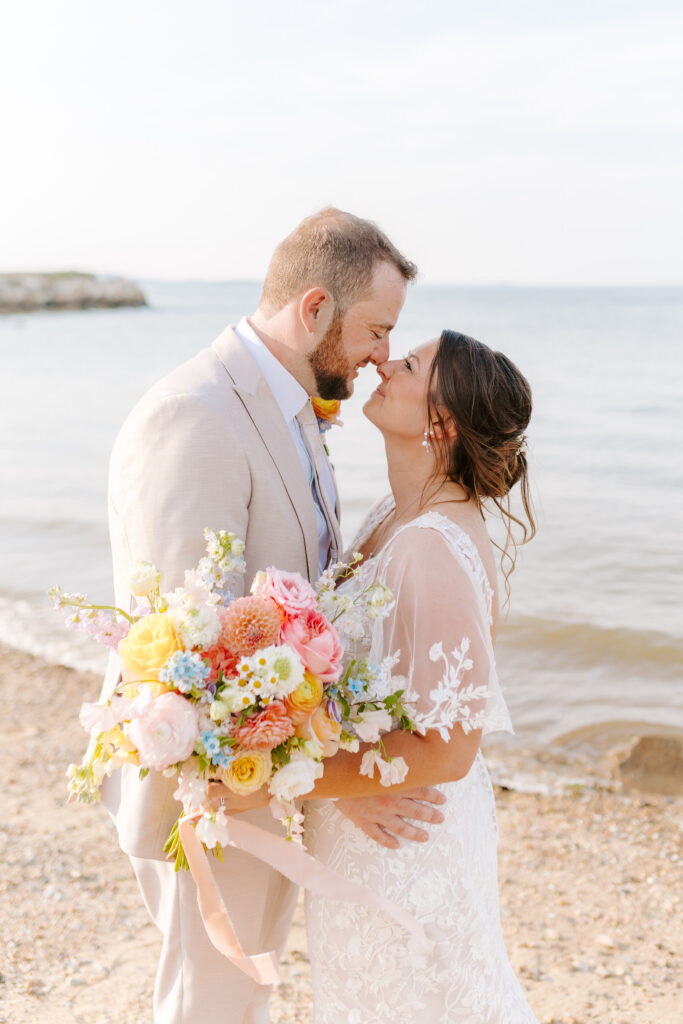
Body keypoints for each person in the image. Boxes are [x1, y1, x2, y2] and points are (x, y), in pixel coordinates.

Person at [99, 207, 448, 1024]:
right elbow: (187, 649)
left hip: (261, 781)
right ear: (315, 307)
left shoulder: (291, 409)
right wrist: (331, 784)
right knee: (210, 998)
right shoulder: (196, 412)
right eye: (374, 330)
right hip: (206, 789)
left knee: (245, 991)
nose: (379, 357)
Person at [218, 329, 538, 1022]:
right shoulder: (393, 516)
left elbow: (450, 750)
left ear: (440, 422)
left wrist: (275, 778)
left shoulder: (433, 546)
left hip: (407, 835)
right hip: (368, 818)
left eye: (410, 364)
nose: (383, 364)